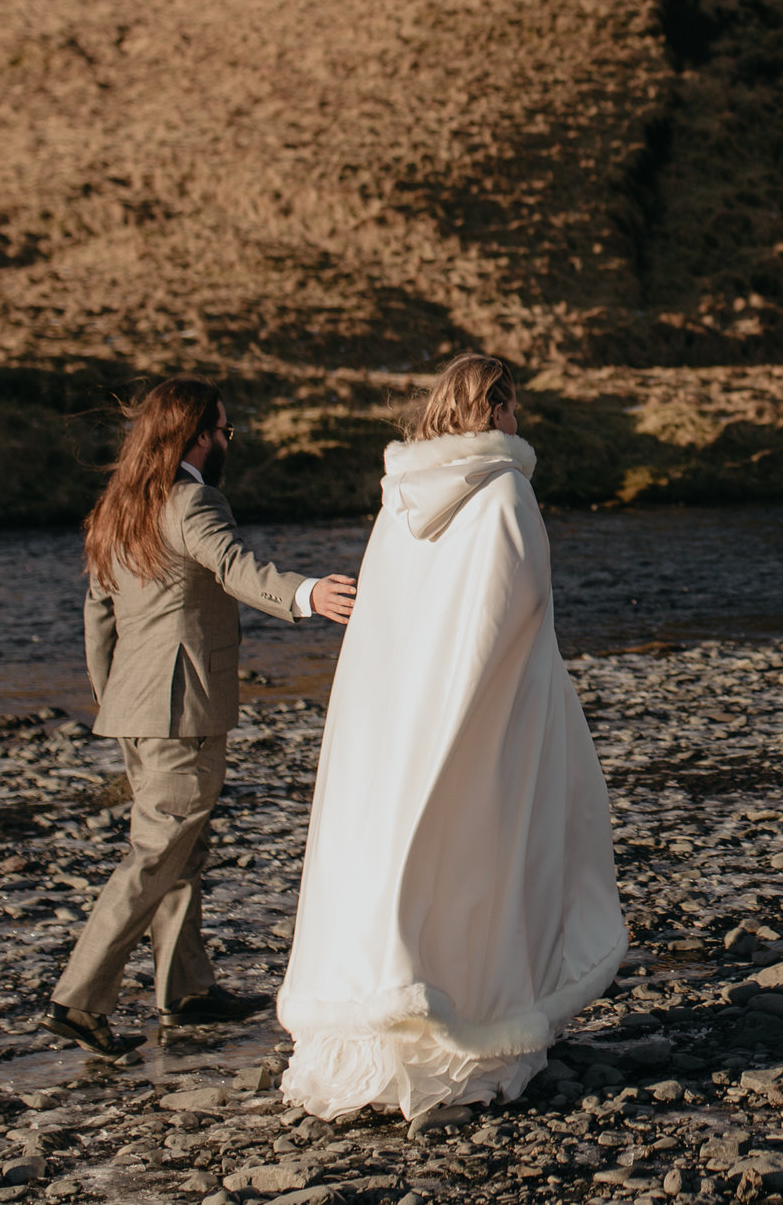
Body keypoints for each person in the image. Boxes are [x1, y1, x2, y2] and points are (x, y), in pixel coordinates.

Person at [277, 353, 625, 1119]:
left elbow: (388, 616)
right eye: (513, 406)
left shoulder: (400, 496)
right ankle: (478, 1026)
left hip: (398, 709)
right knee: (491, 857)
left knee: (404, 851)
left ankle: (379, 1023)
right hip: (492, 703)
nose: (517, 421)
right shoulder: (504, 487)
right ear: (495, 406)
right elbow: (522, 601)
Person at [44, 377, 358, 1061]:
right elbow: (233, 565)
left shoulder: (118, 506)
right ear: (194, 435)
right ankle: (78, 997)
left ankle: (185, 988)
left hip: (134, 707)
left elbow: (98, 614)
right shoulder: (192, 500)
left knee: (183, 849)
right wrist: (306, 593)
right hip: (179, 708)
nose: (227, 440)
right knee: (159, 853)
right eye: (224, 429)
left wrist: (115, 699)